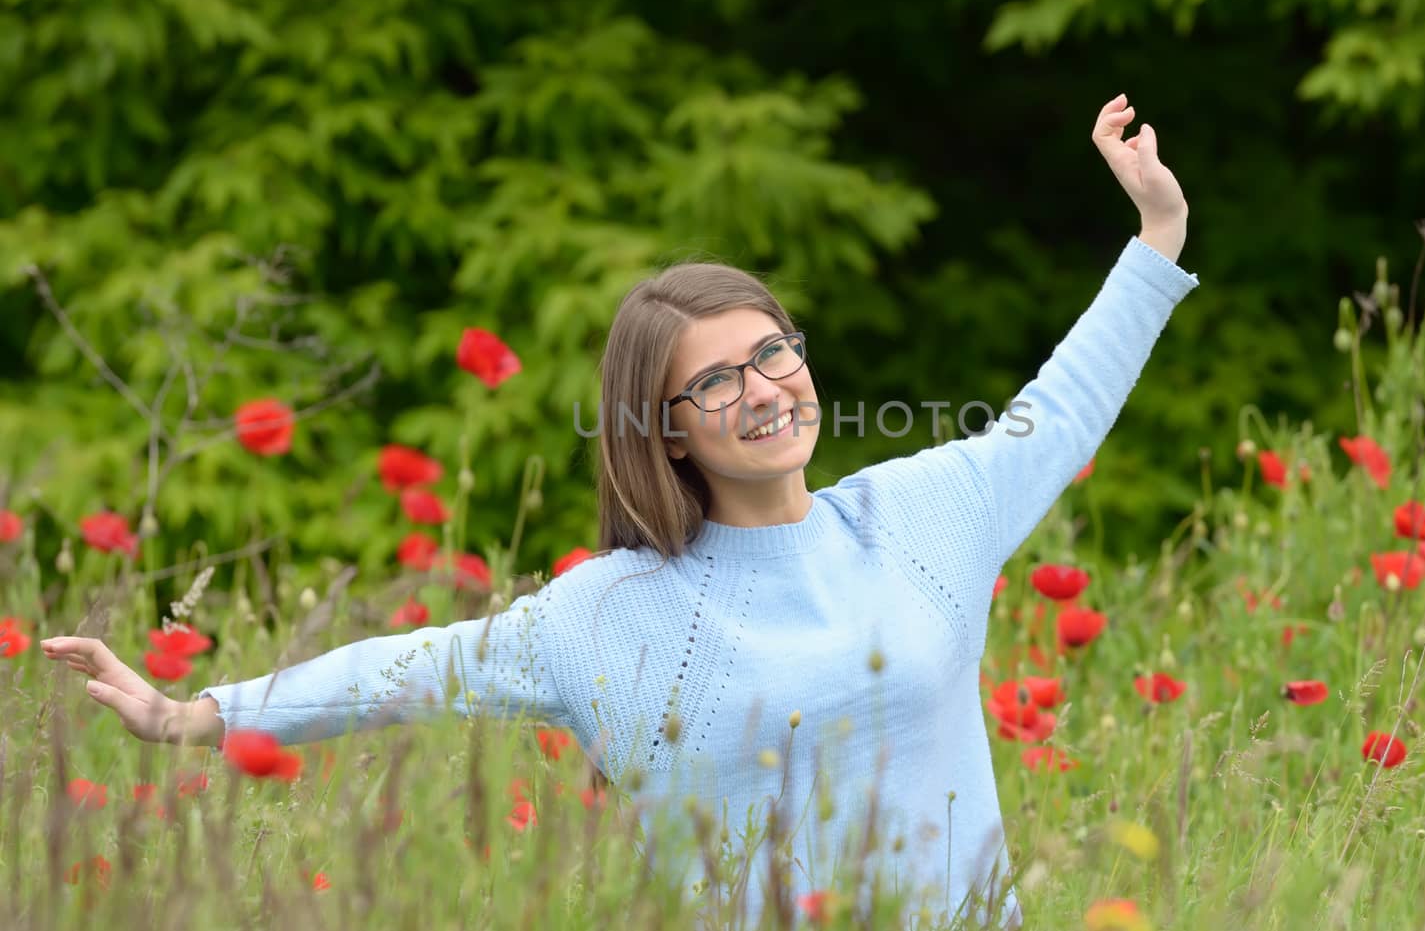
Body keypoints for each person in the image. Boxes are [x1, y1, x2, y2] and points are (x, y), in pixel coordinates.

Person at [43, 94, 1196, 929]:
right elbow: (404, 669)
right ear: (664, 429)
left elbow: (1063, 406)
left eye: (772, 352)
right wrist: (194, 714)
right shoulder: (604, 617)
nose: (761, 390)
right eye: (713, 382)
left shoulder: (924, 512)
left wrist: (1155, 236)